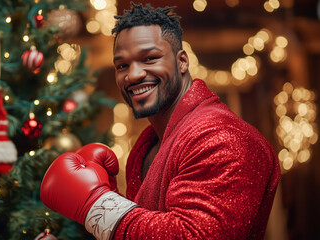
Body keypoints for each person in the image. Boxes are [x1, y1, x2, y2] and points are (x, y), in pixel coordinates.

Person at [40, 3, 281, 239]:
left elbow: (192, 235)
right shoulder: (151, 143)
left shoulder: (222, 137)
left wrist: (97, 205)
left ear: (182, 61)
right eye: (122, 65)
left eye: (150, 58)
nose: (133, 75)